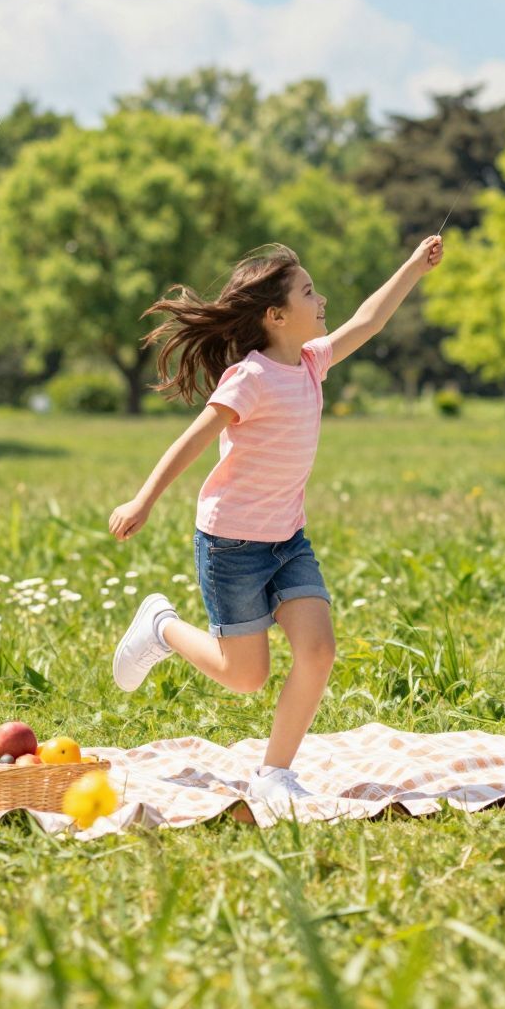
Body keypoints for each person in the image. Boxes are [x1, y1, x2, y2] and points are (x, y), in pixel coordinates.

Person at [107, 237, 444, 815]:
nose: (323, 300)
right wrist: (143, 499)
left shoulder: (312, 362)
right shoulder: (250, 378)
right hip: (231, 545)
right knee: (245, 678)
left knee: (318, 652)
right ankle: (161, 626)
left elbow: (370, 319)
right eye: (309, 292)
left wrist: (414, 266)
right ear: (276, 315)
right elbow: (193, 440)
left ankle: (274, 774)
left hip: (288, 541)